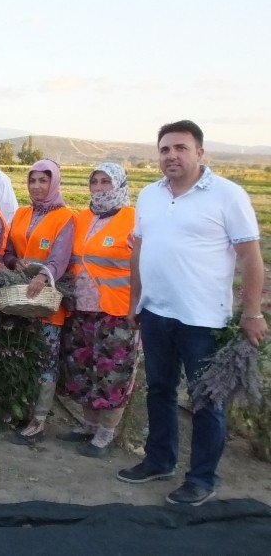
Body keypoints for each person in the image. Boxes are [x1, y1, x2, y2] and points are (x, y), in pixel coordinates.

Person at [118, 120, 266, 506]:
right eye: (165, 149)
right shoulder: (149, 195)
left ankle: (202, 477)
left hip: (202, 319)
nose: (172, 155)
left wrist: (251, 312)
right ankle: (159, 459)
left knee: (205, 401)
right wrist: (136, 301)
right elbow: (139, 251)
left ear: (200, 152)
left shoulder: (227, 195)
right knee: (160, 391)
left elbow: (251, 257)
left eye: (181, 148)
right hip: (155, 313)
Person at [57, 163, 137, 458]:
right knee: (83, 367)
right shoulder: (82, 217)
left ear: (119, 185)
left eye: (106, 182)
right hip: (82, 306)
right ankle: (87, 426)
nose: (100, 187)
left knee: (112, 372)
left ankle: (105, 434)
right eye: (95, 182)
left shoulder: (134, 219)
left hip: (117, 309)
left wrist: (137, 305)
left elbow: (145, 265)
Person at [4, 159, 75, 445]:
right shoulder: (21, 213)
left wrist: (44, 276)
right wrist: (13, 261)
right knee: (18, 352)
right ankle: (19, 409)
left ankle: (39, 419)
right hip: (18, 297)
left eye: (43, 181)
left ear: (54, 183)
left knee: (45, 359)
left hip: (44, 299)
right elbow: (9, 249)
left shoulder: (65, 217)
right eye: (32, 181)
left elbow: (61, 257)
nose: (37, 186)